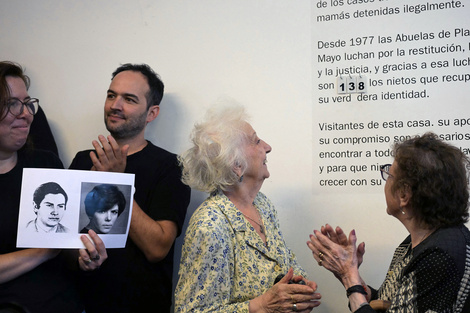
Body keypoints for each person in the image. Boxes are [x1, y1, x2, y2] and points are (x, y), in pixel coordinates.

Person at [174, 104, 322, 312]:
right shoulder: (210, 226)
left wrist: (299, 285)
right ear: (236, 163)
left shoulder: (262, 204)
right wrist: (261, 305)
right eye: (256, 141)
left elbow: (283, 261)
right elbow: (191, 310)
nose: (268, 147)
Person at [69, 63, 191, 312]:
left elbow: (158, 248)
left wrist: (116, 181)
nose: (115, 105)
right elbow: (61, 237)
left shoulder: (171, 167)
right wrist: (80, 258)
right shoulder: (83, 160)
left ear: (151, 113)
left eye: (129, 99)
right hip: (79, 303)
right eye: (111, 95)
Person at [307, 132, 470, 312]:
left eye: (389, 175)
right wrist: (349, 274)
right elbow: (392, 304)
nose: (385, 181)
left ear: (404, 194)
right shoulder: (417, 242)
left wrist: (349, 278)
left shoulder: (439, 255)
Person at [0, 61, 106, 312]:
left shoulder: (45, 163)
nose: (26, 114)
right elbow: (53, 247)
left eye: (27, 104)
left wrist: (84, 257)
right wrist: (44, 252)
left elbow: (67, 242)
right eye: (12, 104)